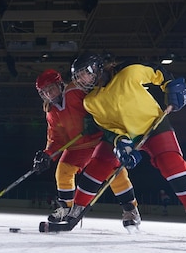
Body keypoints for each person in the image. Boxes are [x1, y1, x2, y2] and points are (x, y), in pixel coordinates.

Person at [69, 53, 186, 239]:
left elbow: (158, 73)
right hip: (127, 135)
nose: (80, 80)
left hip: (154, 125)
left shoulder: (129, 73)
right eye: (77, 77)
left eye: (83, 73)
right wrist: (121, 143)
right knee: (98, 165)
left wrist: (172, 85)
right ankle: (77, 212)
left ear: (97, 68)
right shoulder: (90, 102)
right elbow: (109, 129)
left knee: (171, 163)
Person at [32, 68, 141, 232]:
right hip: (79, 146)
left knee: (114, 172)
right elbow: (56, 139)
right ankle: (67, 209)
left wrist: (95, 119)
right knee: (63, 170)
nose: (49, 94)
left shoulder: (76, 91)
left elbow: (100, 100)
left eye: (51, 88)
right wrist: (48, 154)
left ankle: (130, 210)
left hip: (100, 139)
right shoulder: (51, 112)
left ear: (60, 84)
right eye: (44, 92)